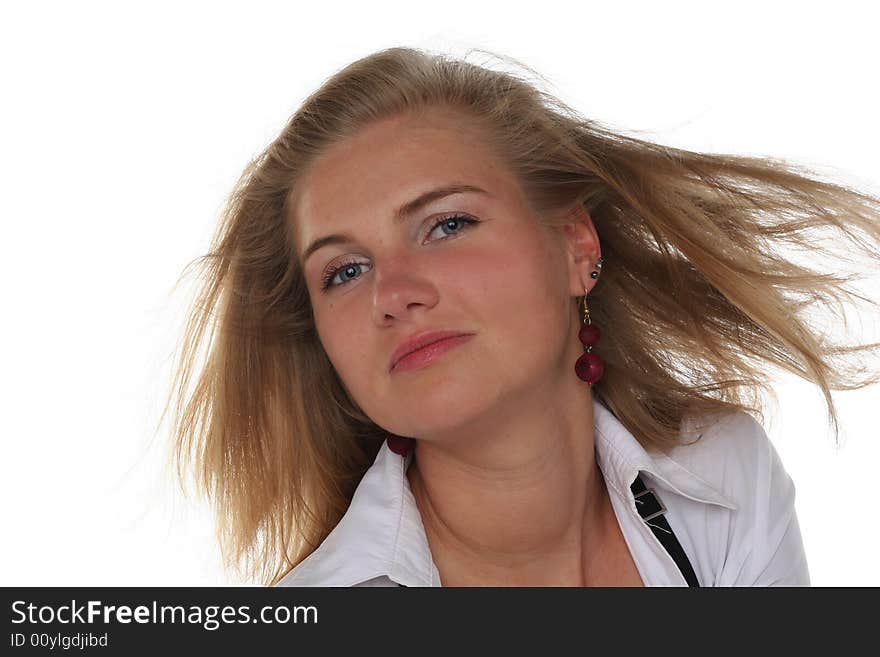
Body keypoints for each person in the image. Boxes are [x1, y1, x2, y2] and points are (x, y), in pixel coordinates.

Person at [163, 47, 880, 587]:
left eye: (445, 225)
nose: (393, 292)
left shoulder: (725, 479)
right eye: (344, 272)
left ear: (575, 246)